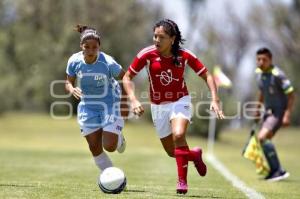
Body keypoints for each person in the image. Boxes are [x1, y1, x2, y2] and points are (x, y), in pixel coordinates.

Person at [123, 19, 224, 194]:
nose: (156, 40)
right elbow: (126, 77)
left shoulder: (184, 55)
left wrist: (215, 99)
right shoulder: (146, 54)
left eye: (161, 37)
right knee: (173, 152)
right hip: (158, 106)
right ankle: (194, 155)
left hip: (180, 101)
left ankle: (182, 183)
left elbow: (207, 75)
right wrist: (134, 100)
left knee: (178, 135)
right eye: (155, 36)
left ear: (172, 39)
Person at [65, 25, 127, 174]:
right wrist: (72, 89)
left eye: (95, 47)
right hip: (88, 106)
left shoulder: (108, 62)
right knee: (94, 147)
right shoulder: (74, 61)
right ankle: (113, 178)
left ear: (99, 46)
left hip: (110, 104)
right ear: (81, 47)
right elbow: (68, 82)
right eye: (87, 47)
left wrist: (125, 103)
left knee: (110, 146)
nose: (91, 51)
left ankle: (119, 139)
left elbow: (125, 77)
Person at [255, 47, 295, 181]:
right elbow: (262, 93)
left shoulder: (278, 75)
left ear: (270, 60)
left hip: (278, 113)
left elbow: (291, 95)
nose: (261, 62)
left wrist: (287, 114)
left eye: (264, 59)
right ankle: (274, 170)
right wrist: (257, 110)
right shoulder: (259, 74)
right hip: (268, 113)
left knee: (262, 137)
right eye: (258, 59)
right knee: (265, 141)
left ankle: (278, 170)